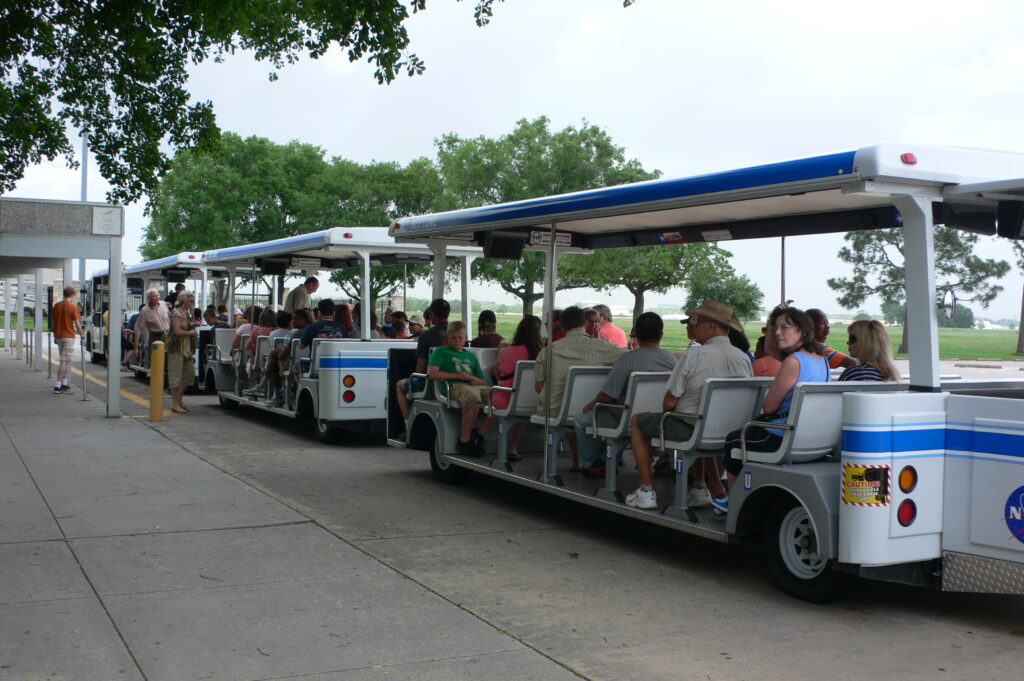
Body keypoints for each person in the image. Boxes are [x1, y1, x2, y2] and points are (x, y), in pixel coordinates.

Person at [626, 300, 753, 511]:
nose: (694, 326)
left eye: (697, 321)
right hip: (728, 433)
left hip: (693, 430)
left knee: (638, 422)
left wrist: (673, 407)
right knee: (700, 422)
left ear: (712, 325)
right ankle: (700, 488)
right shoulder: (743, 357)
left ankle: (646, 491)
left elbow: (669, 402)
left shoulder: (694, 354)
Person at [719, 307, 831, 515]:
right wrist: (775, 318)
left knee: (734, 440)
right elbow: (771, 348)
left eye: (785, 327)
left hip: (783, 438)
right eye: (775, 328)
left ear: (803, 331)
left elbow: (769, 406)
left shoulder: (793, 361)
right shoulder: (821, 359)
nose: (778, 332)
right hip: (814, 439)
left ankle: (734, 503)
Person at [573, 312, 678, 478]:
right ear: (661, 335)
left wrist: (591, 404)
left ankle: (592, 463)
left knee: (581, 419)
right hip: (658, 419)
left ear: (635, 334)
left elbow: (608, 397)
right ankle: (607, 458)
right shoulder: (673, 361)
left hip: (625, 418)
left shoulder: (627, 359)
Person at [535, 306, 625, 470]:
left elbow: (538, 387)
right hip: (593, 411)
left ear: (562, 326)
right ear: (584, 323)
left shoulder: (548, 351)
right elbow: (628, 357)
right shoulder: (605, 348)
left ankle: (582, 462)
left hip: (555, 411)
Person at [474, 314, 544, 460]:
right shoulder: (540, 354)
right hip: (531, 400)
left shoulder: (508, 351)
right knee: (520, 409)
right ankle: (511, 447)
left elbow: (499, 373)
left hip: (506, 397)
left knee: (502, 399)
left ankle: (479, 434)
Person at [427, 321, 490, 457]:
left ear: (465, 337)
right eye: (453, 338)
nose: (456, 341)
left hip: (472, 385)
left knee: (498, 398)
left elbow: (481, 379)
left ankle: (480, 433)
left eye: (460, 338)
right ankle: (464, 440)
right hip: (452, 386)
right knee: (474, 399)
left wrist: (475, 380)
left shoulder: (471, 356)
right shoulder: (441, 351)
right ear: (448, 338)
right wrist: (457, 375)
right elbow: (432, 374)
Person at [396, 300, 451, 421]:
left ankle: (408, 423)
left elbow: (420, 369)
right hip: (451, 382)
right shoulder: (456, 333)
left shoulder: (427, 335)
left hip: (429, 384)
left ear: (432, 314)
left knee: (400, 386)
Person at [167, 290, 199, 413]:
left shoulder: (185, 312)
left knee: (189, 375)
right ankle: (175, 403)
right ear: (184, 300)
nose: (192, 303)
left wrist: (193, 324)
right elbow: (177, 331)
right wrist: (191, 332)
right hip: (176, 348)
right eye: (190, 300)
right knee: (175, 375)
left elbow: (185, 327)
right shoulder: (175, 312)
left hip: (186, 348)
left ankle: (179, 399)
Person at [52, 286, 83, 394]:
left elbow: (54, 321)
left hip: (59, 336)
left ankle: (64, 382)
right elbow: (77, 323)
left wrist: (55, 334)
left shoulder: (57, 306)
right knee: (64, 361)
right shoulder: (72, 307)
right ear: (73, 295)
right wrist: (82, 335)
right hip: (69, 336)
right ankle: (57, 385)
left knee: (64, 359)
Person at [134, 288, 170, 362]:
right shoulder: (144, 311)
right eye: (154, 296)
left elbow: (170, 318)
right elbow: (139, 328)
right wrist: (136, 347)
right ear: (149, 298)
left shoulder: (163, 304)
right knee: (157, 360)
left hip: (167, 335)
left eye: (158, 295)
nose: (157, 298)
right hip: (156, 336)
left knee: (168, 359)